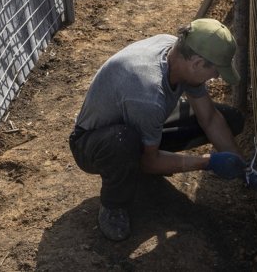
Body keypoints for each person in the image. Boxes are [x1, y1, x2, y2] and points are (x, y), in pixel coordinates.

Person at [69, 18, 247, 241]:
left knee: (229, 119)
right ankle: (114, 206)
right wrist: (208, 162)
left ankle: (145, 152)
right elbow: (148, 161)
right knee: (124, 142)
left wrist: (244, 168)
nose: (216, 77)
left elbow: (210, 118)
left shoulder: (177, 50)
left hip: (140, 122)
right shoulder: (148, 94)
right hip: (95, 143)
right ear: (198, 63)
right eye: (216, 71)